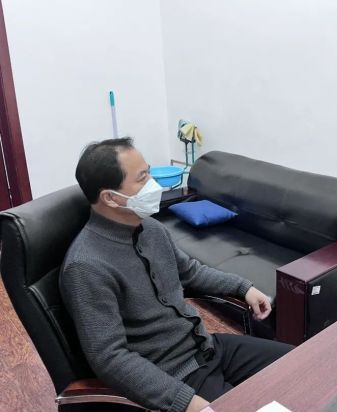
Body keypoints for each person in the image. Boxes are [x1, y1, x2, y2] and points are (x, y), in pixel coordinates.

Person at [59, 138, 294, 412]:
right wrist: (185, 402)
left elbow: (190, 272)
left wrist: (243, 288)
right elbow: (110, 358)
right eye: (142, 178)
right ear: (110, 198)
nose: (153, 185)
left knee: (300, 365)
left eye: (149, 172)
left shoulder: (150, 229)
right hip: (175, 376)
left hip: (207, 348)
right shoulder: (86, 266)